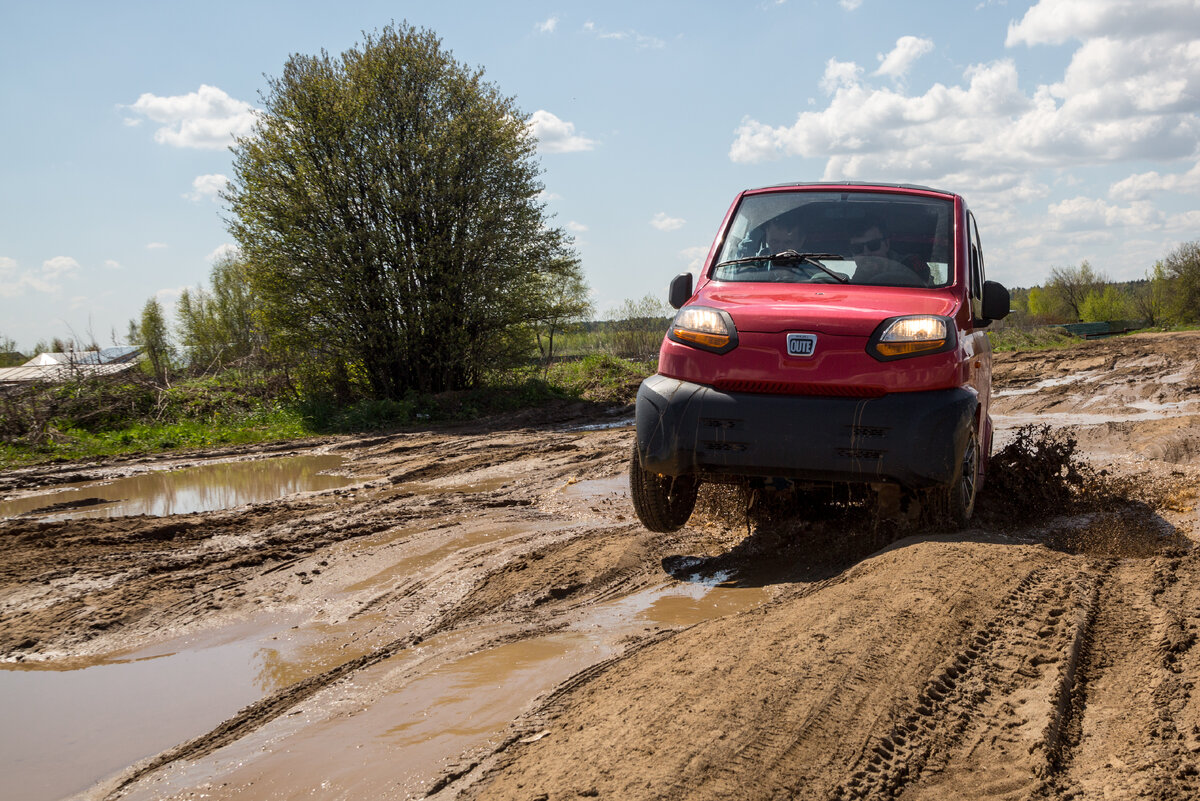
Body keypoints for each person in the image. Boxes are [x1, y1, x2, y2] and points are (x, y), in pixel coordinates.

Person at [848, 217, 931, 286]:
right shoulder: (851, 283)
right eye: (857, 248)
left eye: (873, 245)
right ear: (852, 253)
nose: (866, 253)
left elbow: (928, 298)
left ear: (887, 244)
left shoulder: (911, 264)